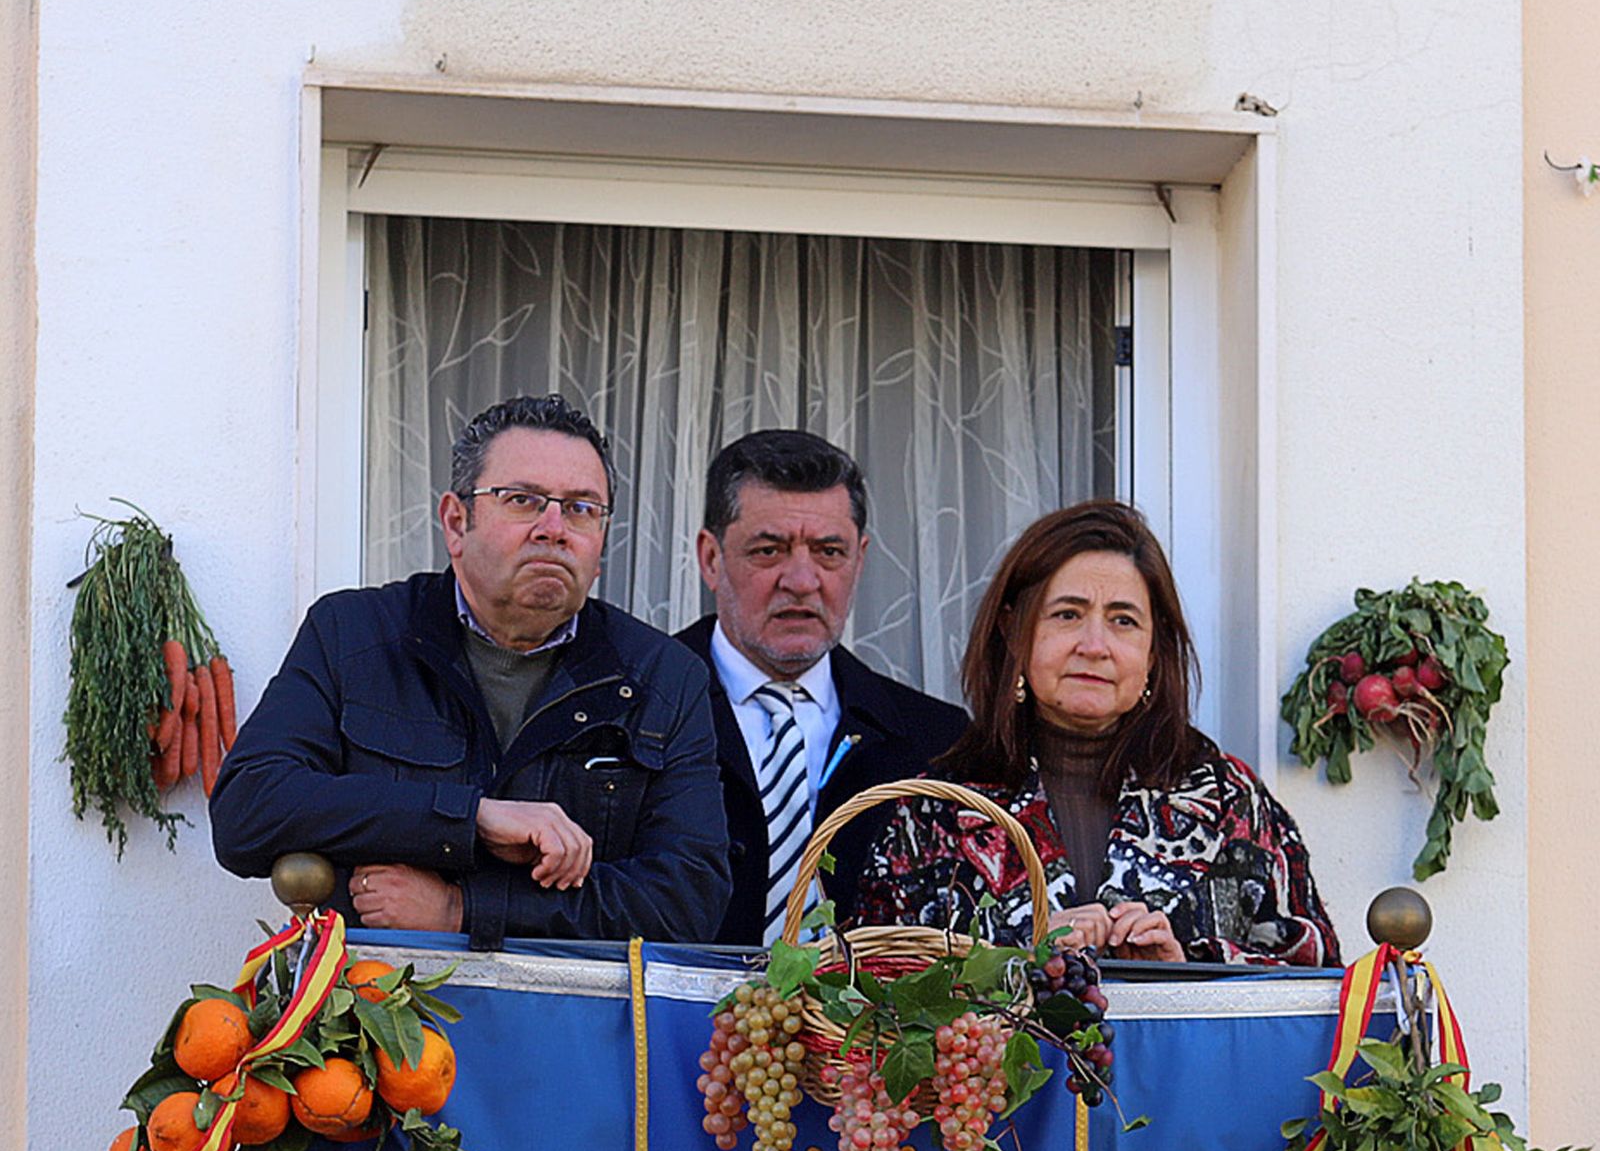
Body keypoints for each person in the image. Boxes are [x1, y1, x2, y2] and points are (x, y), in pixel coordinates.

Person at [211, 394, 730, 947]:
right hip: (370, 1018)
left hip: (569, 1025)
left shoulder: (664, 676)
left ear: (600, 545)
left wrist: (464, 908)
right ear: (457, 523)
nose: (554, 528)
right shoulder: (353, 635)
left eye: (582, 508)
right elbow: (249, 808)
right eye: (524, 500)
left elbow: (688, 899)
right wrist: (469, 819)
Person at [851, 501, 1339, 965]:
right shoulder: (939, 809)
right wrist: (1018, 959)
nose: (1095, 645)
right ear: (1013, 630)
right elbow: (871, 988)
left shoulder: (1228, 800)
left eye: (1123, 621)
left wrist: (1188, 965)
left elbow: (1313, 977)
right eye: (1067, 614)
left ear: (1153, 650)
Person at [677, 429, 966, 946]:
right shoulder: (635, 706)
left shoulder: (935, 740)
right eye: (769, 550)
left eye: (829, 552)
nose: (802, 580)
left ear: (860, 557)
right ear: (711, 559)